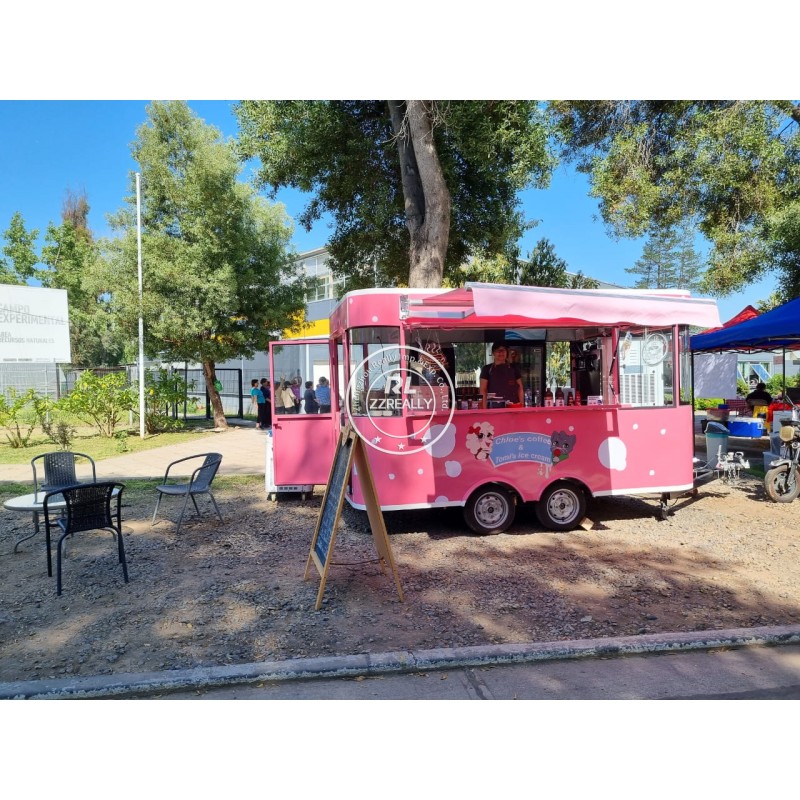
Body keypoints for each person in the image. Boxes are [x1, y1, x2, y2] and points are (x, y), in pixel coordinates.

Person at [479, 343, 523, 408]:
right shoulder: (486, 369)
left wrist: (522, 406)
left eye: (503, 350)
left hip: (513, 407)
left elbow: (520, 388)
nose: (501, 353)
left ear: (506, 353)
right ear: (493, 353)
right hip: (494, 408)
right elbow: (483, 390)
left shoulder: (514, 368)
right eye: (498, 350)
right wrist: (484, 409)